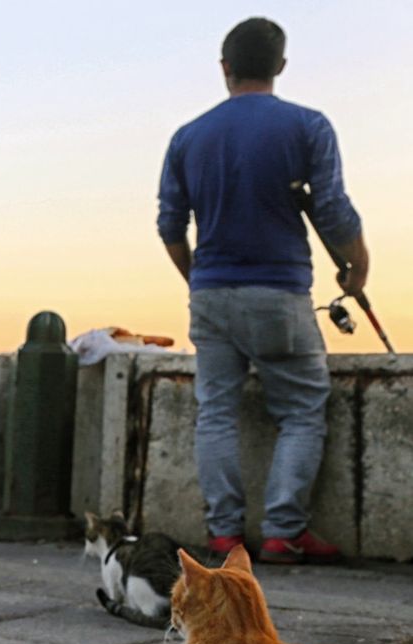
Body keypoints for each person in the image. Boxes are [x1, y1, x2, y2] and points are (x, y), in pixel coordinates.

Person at [157, 18, 367, 565]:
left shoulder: (187, 136)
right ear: (280, 66)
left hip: (211, 294)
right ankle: (283, 531)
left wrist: (196, 277)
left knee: (216, 412)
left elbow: (169, 227)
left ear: (224, 67)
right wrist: (358, 266)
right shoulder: (308, 126)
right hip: (280, 292)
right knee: (301, 409)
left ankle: (224, 536)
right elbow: (333, 211)